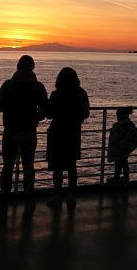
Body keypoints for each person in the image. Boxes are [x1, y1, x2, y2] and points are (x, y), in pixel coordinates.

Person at [0, 55, 48, 197]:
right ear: (33, 67)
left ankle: (5, 194)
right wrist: (35, 117)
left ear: (17, 66)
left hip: (10, 130)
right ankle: (28, 195)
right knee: (29, 166)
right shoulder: (38, 87)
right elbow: (45, 111)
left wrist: (10, 109)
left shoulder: (8, 85)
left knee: (8, 166)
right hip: (29, 131)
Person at [45, 67, 90, 207]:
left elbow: (49, 114)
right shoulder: (81, 94)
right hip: (73, 132)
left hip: (57, 132)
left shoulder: (56, 94)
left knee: (57, 167)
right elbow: (86, 113)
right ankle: (71, 196)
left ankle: (58, 196)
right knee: (72, 165)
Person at [107, 107, 137, 184]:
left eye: (117, 114)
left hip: (119, 147)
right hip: (127, 147)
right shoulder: (131, 125)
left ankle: (116, 178)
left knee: (119, 162)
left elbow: (115, 137)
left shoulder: (118, 126)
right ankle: (125, 177)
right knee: (124, 162)